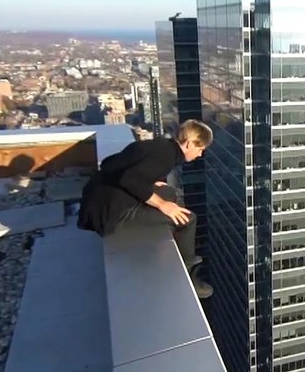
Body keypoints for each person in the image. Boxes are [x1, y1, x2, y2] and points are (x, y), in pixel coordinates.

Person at [78, 120, 214, 299]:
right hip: (112, 215)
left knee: (167, 191)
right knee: (188, 220)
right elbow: (130, 179)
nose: (200, 153)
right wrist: (162, 205)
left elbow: (111, 163)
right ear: (189, 144)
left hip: (100, 202)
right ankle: (188, 275)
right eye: (200, 148)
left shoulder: (161, 146)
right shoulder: (165, 158)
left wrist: (149, 181)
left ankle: (177, 254)